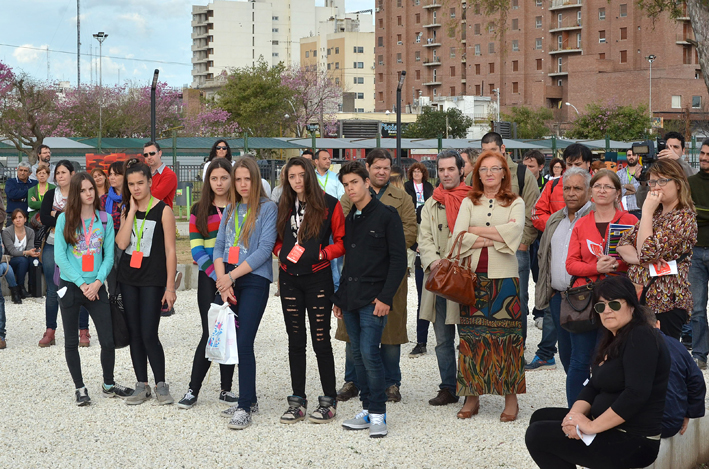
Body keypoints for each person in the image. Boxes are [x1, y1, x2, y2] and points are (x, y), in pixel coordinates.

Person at [525, 277, 670, 469]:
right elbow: (594, 385)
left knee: (538, 435)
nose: (607, 310)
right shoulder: (614, 337)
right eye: (601, 307)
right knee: (541, 417)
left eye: (614, 304)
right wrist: (573, 418)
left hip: (633, 439)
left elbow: (636, 394)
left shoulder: (641, 336)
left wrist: (590, 426)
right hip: (610, 428)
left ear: (632, 305)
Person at [336, 148, 417, 404]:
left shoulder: (401, 198)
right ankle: (353, 381)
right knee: (353, 335)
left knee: (392, 334)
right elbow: (342, 231)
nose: (382, 171)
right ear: (367, 171)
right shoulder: (349, 195)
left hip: (389, 277)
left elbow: (410, 232)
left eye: (386, 167)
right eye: (377, 167)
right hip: (356, 276)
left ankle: (391, 383)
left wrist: (380, 244)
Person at [452, 150, 525, 422]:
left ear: (504, 173)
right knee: (471, 340)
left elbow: (514, 234)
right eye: (484, 169)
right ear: (477, 174)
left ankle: (511, 397)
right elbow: (458, 236)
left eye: (495, 168)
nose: (490, 173)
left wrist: (476, 231)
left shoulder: (515, 202)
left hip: (504, 278)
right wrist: (497, 236)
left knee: (507, 340)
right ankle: (472, 396)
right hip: (471, 279)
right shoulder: (469, 201)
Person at [273, 157, 345, 424]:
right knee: (295, 340)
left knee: (320, 339)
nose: (297, 180)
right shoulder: (282, 204)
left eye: (302, 175)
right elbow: (276, 239)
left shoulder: (329, 204)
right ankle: (297, 399)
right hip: (290, 278)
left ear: (310, 175)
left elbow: (341, 241)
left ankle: (328, 399)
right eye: (292, 176)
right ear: (287, 180)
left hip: (318, 278)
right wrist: (280, 252)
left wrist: (322, 253)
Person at [54, 172, 134, 405]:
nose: (89, 194)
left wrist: (97, 283)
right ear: (76, 193)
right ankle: (79, 387)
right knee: (71, 341)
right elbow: (60, 256)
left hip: (97, 288)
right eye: (83, 190)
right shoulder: (64, 219)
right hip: (71, 286)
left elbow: (109, 257)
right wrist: (82, 284)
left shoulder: (105, 219)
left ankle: (108, 384)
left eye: (91, 189)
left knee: (108, 340)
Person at [562, 169, 637, 404]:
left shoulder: (630, 221)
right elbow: (571, 264)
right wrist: (596, 268)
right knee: (580, 360)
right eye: (597, 186)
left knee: (611, 358)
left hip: (618, 298)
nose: (602, 190)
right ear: (591, 192)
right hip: (586, 299)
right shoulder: (582, 223)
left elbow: (639, 258)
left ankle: (605, 409)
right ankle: (575, 412)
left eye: (608, 187)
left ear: (617, 193)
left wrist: (619, 262)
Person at [213, 157, 277, 430]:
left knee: (244, 341)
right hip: (228, 279)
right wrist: (222, 281)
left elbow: (264, 250)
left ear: (255, 180)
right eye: (237, 179)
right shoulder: (229, 209)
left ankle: (245, 405)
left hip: (253, 279)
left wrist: (230, 276)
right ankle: (248, 399)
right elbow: (218, 247)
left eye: (246, 179)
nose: (241, 184)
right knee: (229, 338)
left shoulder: (267, 208)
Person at [115, 159, 177, 406]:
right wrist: (130, 212)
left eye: (140, 183)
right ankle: (142, 384)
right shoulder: (126, 209)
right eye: (131, 184)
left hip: (153, 280)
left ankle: (161, 383)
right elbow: (121, 243)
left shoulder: (164, 210)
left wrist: (170, 287)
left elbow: (171, 251)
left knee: (150, 332)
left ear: (150, 182)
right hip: (129, 278)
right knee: (135, 333)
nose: (136, 188)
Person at [178, 158, 238, 410]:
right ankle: (193, 389)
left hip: (237, 276)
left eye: (224, 177)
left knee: (231, 332)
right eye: (214, 178)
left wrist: (230, 278)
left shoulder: (241, 207)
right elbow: (197, 251)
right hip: (210, 278)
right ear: (208, 181)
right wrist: (220, 279)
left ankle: (226, 390)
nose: (219, 183)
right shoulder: (198, 209)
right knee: (210, 332)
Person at [617, 159, 697, 340]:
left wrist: (645, 213)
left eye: (662, 181)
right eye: (652, 182)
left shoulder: (684, 218)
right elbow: (622, 244)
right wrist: (641, 261)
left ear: (678, 183)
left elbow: (646, 251)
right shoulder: (656, 215)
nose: (655, 187)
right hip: (639, 300)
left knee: (663, 361)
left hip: (666, 302)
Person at [472, 132, 540, 345]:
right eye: (484, 152)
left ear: (503, 149)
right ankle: (487, 344)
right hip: (481, 248)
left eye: (491, 151)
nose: (487, 156)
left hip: (514, 248)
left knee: (516, 297)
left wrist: (523, 242)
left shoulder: (521, 173)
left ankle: (516, 345)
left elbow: (532, 209)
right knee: (482, 294)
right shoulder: (476, 173)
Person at [527, 167, 593, 376]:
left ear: (589, 191)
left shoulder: (595, 218)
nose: (571, 193)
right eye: (567, 188)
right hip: (558, 298)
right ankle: (575, 406)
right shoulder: (555, 220)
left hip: (586, 297)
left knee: (583, 359)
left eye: (577, 188)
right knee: (566, 357)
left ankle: (584, 406)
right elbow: (544, 257)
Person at [418, 150, 470, 406]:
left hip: (465, 277)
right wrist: (435, 262)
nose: (446, 174)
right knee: (442, 339)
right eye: (442, 170)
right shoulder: (431, 202)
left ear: (461, 170)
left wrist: (456, 263)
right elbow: (423, 236)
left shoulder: (473, 199)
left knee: (469, 336)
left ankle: (472, 386)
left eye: (451, 169)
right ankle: (448, 387)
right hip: (439, 278)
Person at [39, 161, 91, 347]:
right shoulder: (50, 194)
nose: (60, 176)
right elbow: (43, 217)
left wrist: (58, 214)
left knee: (81, 285)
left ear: (72, 174)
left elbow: (84, 214)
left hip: (78, 246)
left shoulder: (79, 194)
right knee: (53, 289)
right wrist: (64, 215)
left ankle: (83, 331)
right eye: (57, 173)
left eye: (63, 172)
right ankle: (50, 331)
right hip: (53, 244)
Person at [404, 161, 434, 357]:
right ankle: (421, 341)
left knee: (453, 299)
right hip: (422, 254)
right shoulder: (407, 191)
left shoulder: (432, 192)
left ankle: (459, 341)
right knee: (423, 300)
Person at [657, 319, 706, 438]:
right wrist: (689, 412)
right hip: (673, 422)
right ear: (658, 324)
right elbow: (697, 380)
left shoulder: (629, 346)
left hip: (646, 425)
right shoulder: (676, 344)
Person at [532, 144, 592, 233]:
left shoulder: (599, 186)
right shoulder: (552, 185)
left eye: (577, 164)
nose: (573, 168)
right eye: (569, 164)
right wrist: (559, 226)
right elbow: (538, 214)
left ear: (588, 163)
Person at [688, 139, 709, 369]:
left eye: (708, 154)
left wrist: (698, 213)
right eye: (702, 153)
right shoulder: (690, 182)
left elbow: (696, 214)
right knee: (697, 307)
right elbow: (686, 212)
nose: (704, 158)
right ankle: (700, 354)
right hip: (695, 252)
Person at [313, 149, 345, 292]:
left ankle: (337, 289)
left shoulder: (335, 178)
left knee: (335, 259)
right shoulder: (310, 178)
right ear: (316, 161)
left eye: (329, 158)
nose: (328, 161)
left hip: (331, 222)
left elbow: (341, 198)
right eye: (324, 158)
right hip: (314, 223)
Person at [2, 209, 39, 301]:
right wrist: (26, 253)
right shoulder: (7, 232)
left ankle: (34, 289)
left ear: (25, 219)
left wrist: (31, 253)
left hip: (24, 260)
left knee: (33, 260)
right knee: (23, 260)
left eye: (20, 217)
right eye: (15, 218)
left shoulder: (30, 232)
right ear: (13, 220)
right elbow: (12, 251)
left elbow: (30, 249)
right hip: (10, 260)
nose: (18, 220)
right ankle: (20, 287)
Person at [142, 141, 178, 209]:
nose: (149, 157)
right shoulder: (143, 173)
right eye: (146, 155)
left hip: (161, 216)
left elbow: (155, 196)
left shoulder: (169, 175)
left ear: (160, 153)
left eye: (152, 153)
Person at [616, 148, 642, 219]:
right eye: (629, 155)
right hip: (623, 210)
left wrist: (624, 186)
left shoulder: (643, 172)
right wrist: (634, 189)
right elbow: (617, 189)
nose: (631, 157)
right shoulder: (619, 173)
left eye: (633, 155)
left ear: (638, 156)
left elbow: (641, 188)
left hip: (639, 209)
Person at [100, 162, 125, 233]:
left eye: (116, 174)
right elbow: (102, 220)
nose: (112, 177)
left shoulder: (132, 197)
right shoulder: (104, 198)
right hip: (109, 237)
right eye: (110, 174)